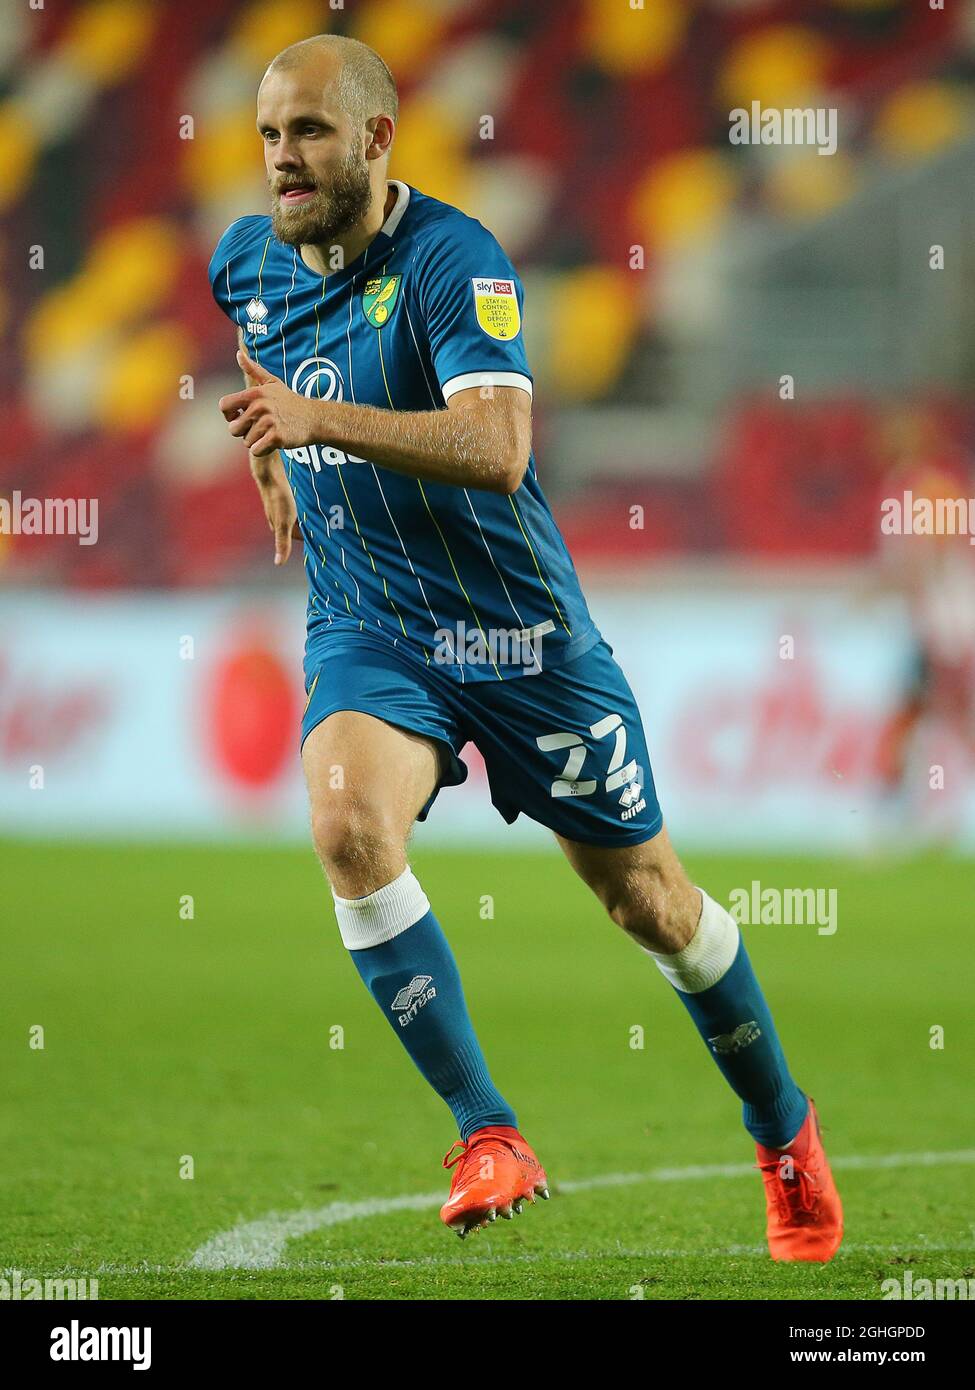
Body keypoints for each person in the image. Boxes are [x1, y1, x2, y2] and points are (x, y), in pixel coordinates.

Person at [209, 33, 842, 1257]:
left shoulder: (456, 260)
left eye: (310, 133)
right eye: (269, 134)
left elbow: (497, 449)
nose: (282, 159)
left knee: (648, 900)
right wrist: (271, 454)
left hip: (519, 635)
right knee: (345, 825)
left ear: (379, 140)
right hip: (371, 624)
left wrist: (313, 418)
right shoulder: (248, 260)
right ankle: (487, 1130)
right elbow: (257, 360)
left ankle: (782, 1128)